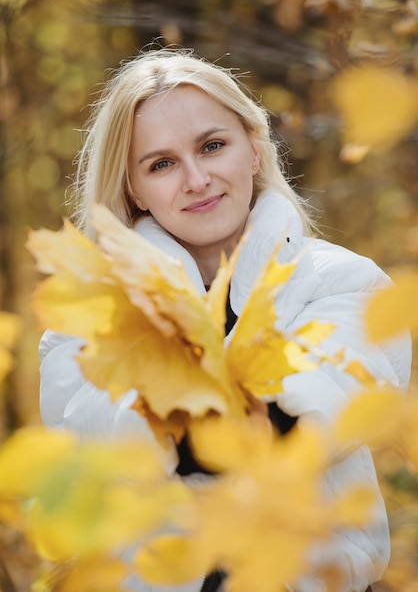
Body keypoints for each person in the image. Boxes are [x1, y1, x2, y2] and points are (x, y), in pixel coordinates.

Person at [39, 47, 411, 592]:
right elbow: (101, 436)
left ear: (254, 151)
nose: (196, 179)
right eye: (160, 163)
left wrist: (184, 419)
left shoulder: (344, 281)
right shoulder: (90, 316)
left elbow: (324, 408)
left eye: (212, 146)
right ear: (131, 189)